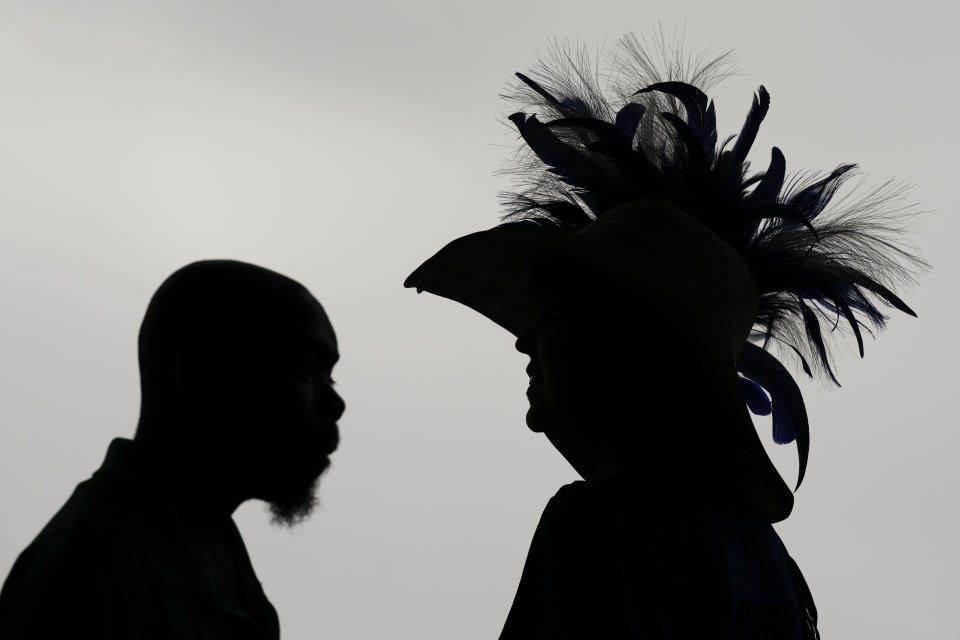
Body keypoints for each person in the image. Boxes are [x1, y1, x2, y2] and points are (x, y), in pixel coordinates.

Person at [405, 34, 926, 638]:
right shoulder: (776, 568)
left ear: (623, 346)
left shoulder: (601, 527)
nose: (525, 342)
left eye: (549, 315)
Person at [0, 259, 344, 639]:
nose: (335, 403)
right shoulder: (83, 572)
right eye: (304, 368)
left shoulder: (221, 563)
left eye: (329, 375)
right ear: (202, 377)